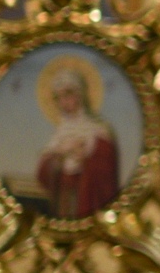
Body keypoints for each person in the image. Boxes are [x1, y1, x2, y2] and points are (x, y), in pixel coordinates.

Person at [31, 54, 121, 219]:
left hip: (87, 196)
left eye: (67, 95)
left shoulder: (99, 130)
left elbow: (107, 172)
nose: (63, 102)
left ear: (79, 95)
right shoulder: (59, 133)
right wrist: (57, 155)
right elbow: (43, 173)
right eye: (58, 98)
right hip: (63, 196)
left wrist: (85, 158)